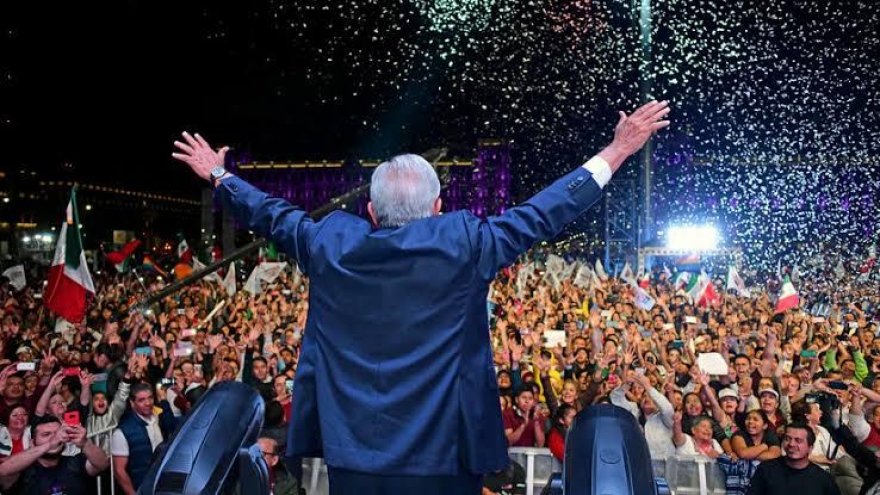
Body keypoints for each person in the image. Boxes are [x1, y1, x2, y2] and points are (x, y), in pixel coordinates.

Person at [173, 100, 670, 494]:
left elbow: (272, 215)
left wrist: (220, 177)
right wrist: (618, 150)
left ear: (369, 210)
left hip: (354, 458)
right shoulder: (466, 244)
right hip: (444, 461)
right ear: (438, 207)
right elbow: (546, 211)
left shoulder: (330, 245)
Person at [0, 415, 109, 493]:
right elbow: (3, 470)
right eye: (46, 434)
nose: (55, 438)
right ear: (32, 443)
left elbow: (103, 464)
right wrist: (49, 444)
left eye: (57, 434)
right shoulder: (23, 471)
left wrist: (84, 443)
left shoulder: (75, 463)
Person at [111, 383, 176, 495]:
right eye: (141, 400)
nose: (147, 403)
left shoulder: (159, 419)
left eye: (150, 398)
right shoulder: (122, 432)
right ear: (132, 403)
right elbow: (119, 471)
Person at [747, 422, 841, 495]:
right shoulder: (766, 469)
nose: (791, 444)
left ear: (810, 448)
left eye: (798, 440)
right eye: (787, 439)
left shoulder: (824, 479)